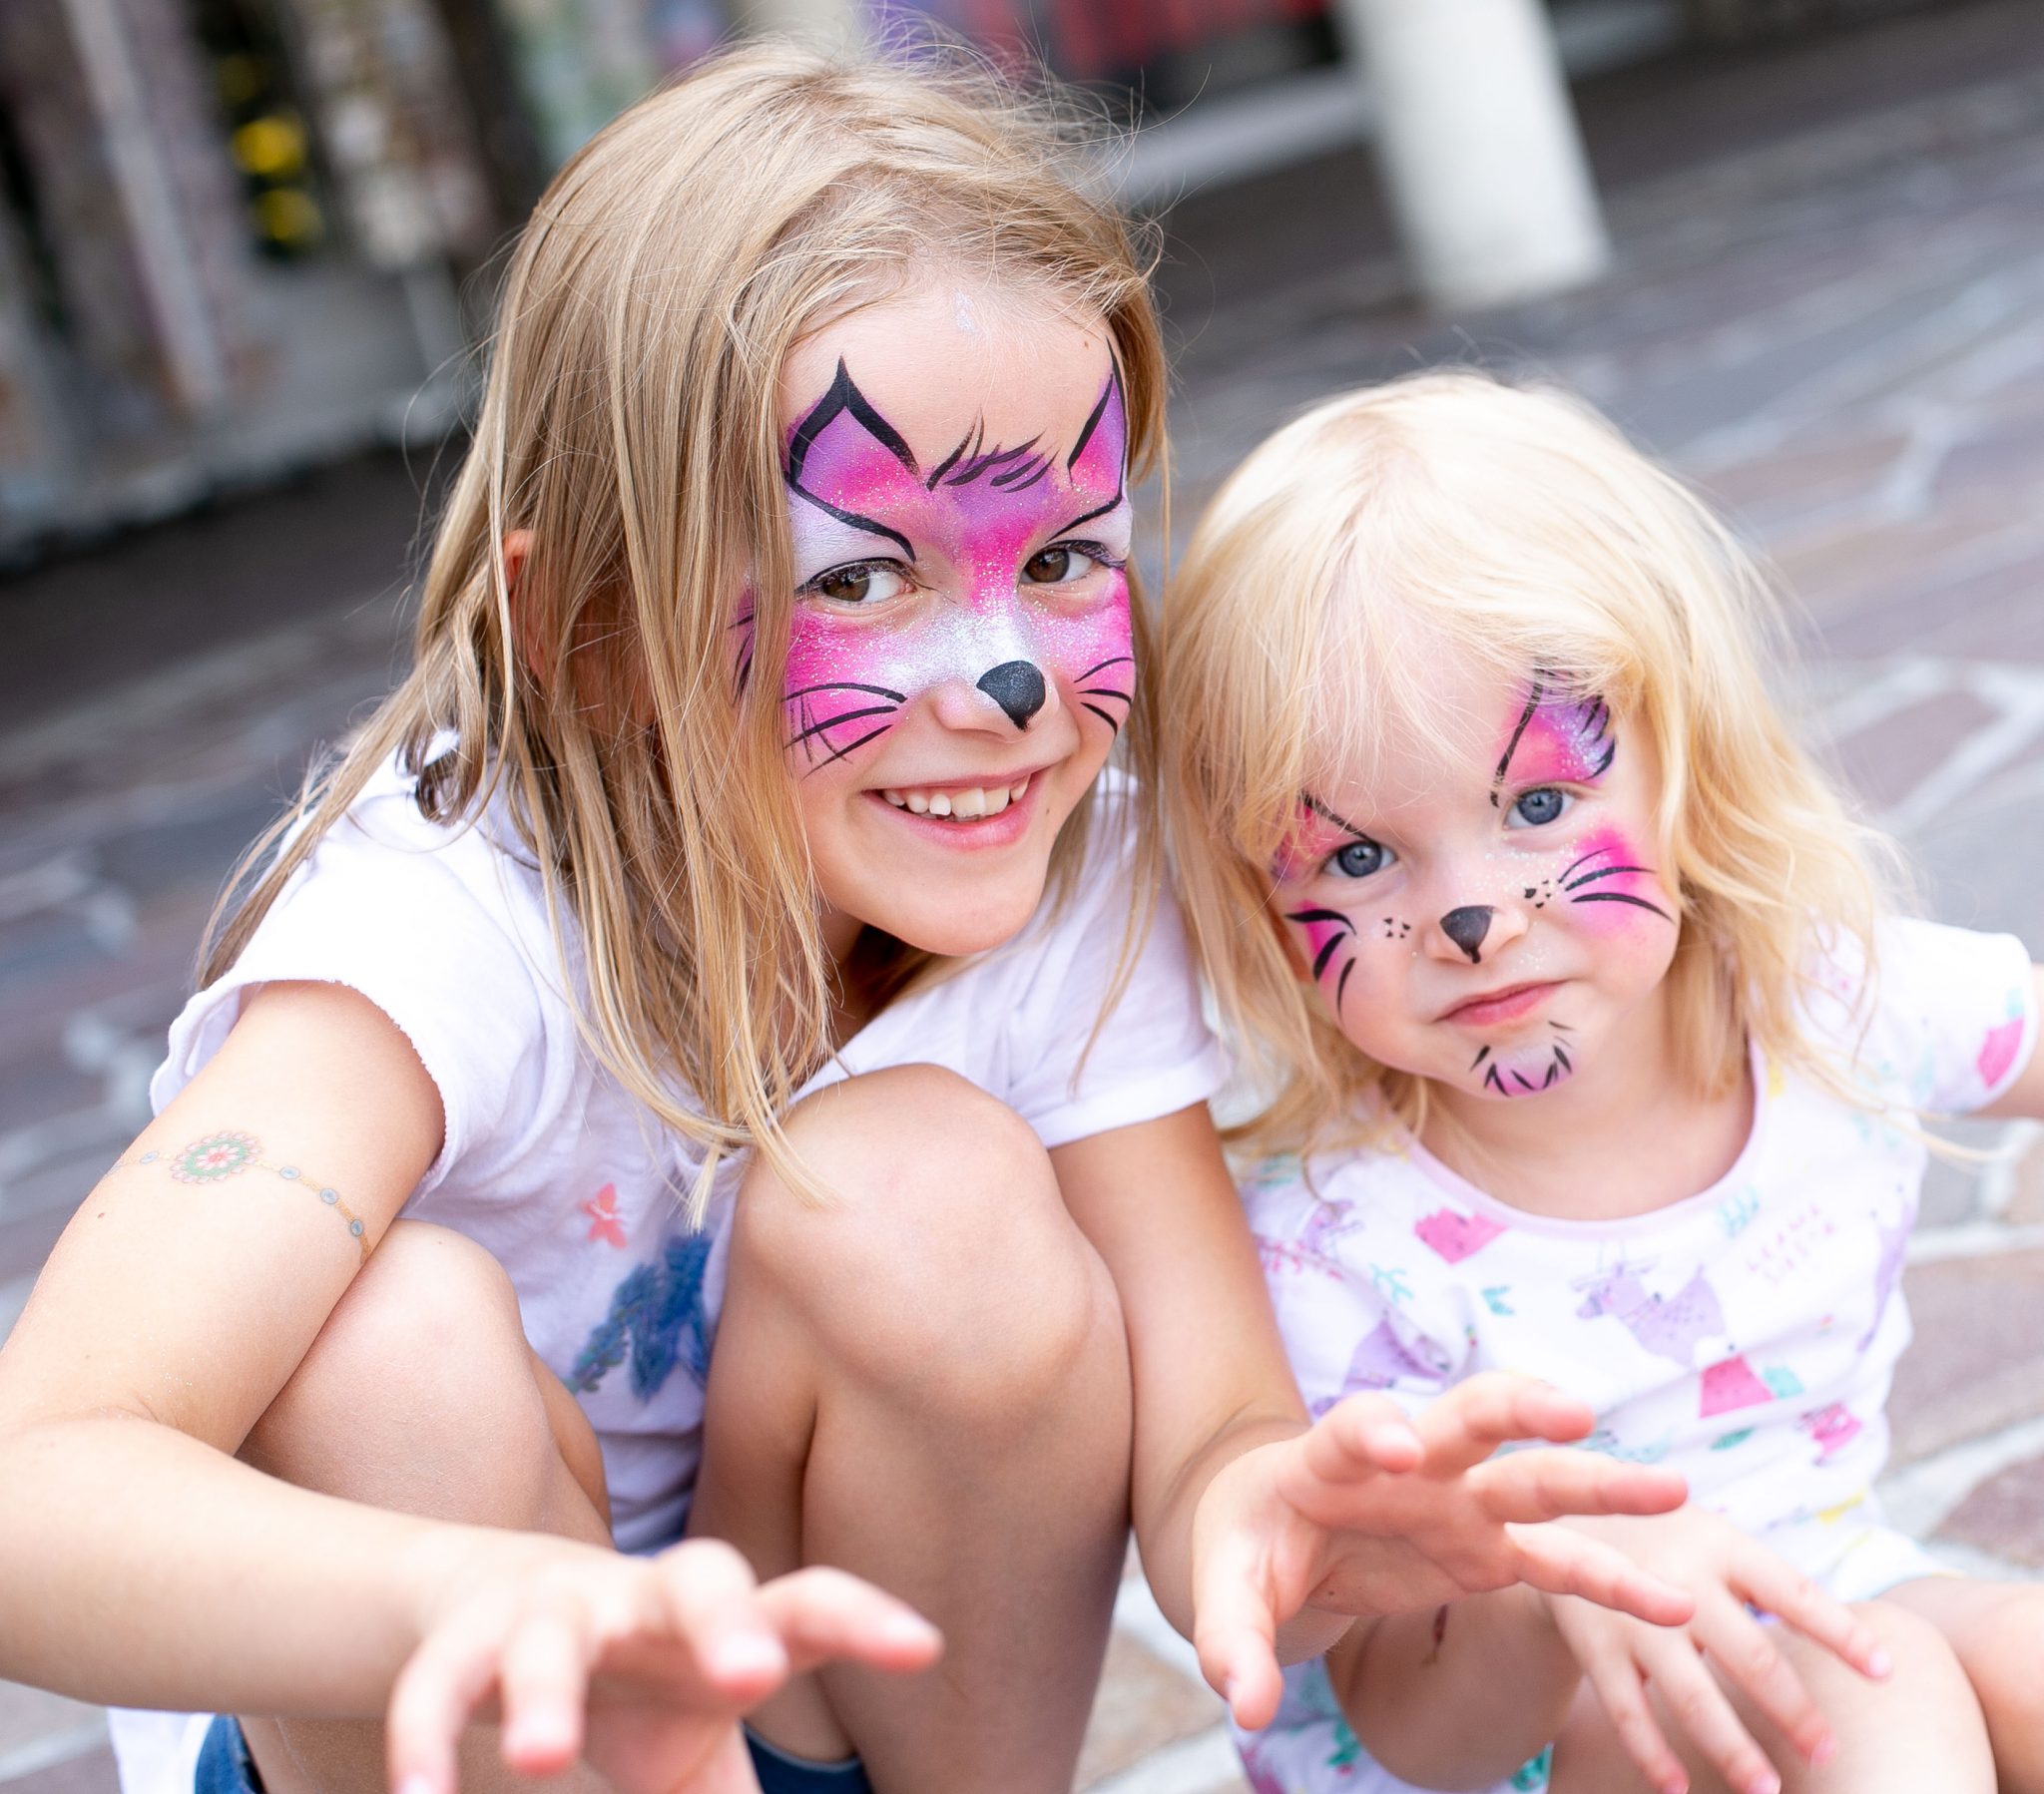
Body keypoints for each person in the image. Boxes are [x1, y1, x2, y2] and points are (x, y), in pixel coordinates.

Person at [0, 57, 1695, 1794]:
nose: (1010, 685)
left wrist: (1266, 1506)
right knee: (386, 1343)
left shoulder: (1075, 867)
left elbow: (1215, 1427)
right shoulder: (432, 941)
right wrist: (473, 1602)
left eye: (1065, 556)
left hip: (801, 1703)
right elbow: (30, 1489)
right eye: (864, 578)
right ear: (593, 634)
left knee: (927, 1190)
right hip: (457, 1729)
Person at [1164, 369, 2044, 1794]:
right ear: (1261, 896)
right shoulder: (1336, 1246)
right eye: (1359, 856)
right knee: (1877, 1698)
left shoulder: (1821, 1001)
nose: (1472, 917)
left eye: (1536, 803)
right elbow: (1406, 1732)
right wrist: (1542, 1580)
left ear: (1684, 758)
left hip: (1824, 1575)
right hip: (1512, 1739)